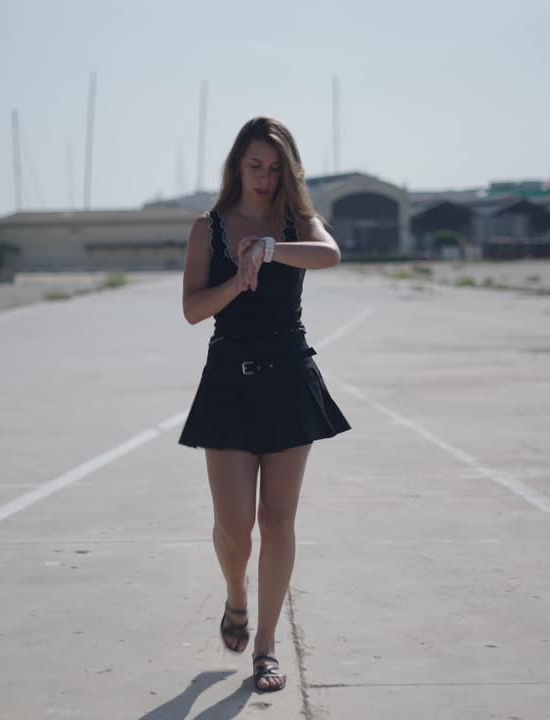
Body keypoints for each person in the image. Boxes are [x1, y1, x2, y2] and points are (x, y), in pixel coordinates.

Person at [178, 116, 351, 693]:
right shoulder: (210, 227)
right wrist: (238, 278)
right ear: (236, 166)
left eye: (275, 167)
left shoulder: (298, 222)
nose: (265, 176)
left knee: (278, 522)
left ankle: (267, 648)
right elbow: (193, 309)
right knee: (236, 526)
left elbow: (330, 256)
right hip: (229, 375)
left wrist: (272, 249)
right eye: (255, 165)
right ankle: (235, 598)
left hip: (287, 376)